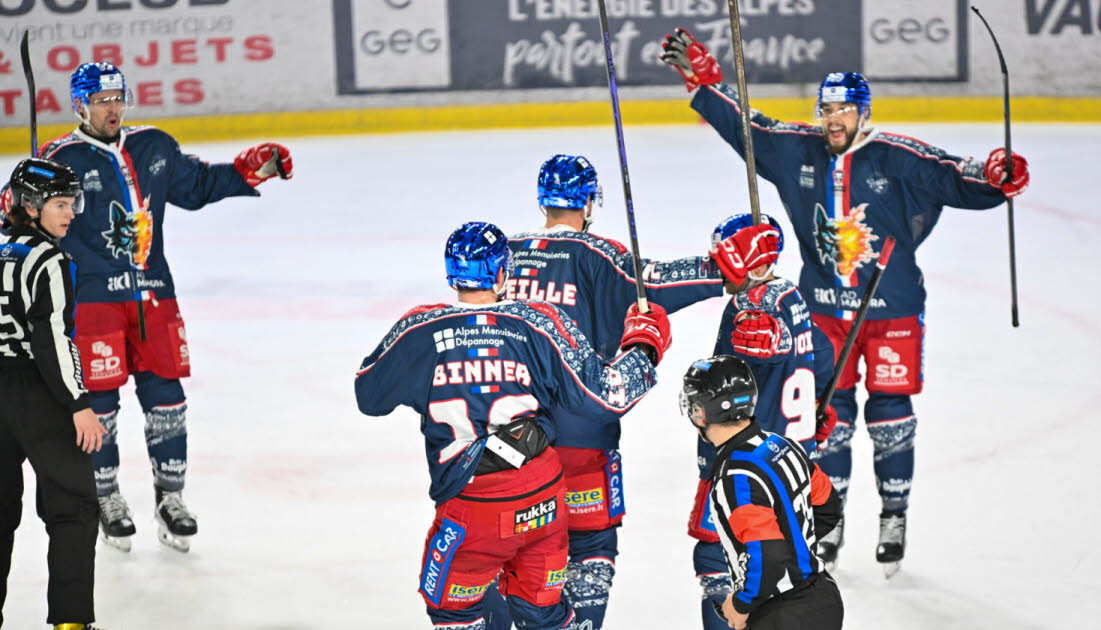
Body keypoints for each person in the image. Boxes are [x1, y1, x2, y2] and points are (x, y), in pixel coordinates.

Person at [661, 29, 1031, 573]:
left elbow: (957, 175)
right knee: (824, 415)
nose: (833, 118)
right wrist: (708, 87)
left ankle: (893, 512)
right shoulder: (797, 150)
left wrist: (997, 178)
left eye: (844, 109)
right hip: (823, 314)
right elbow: (751, 129)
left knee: (889, 414)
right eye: (826, 108)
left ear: (863, 113)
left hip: (893, 308)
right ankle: (825, 521)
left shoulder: (896, 156)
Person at [355, 221, 672, 630]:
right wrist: (643, 345)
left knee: (455, 613)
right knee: (542, 613)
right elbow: (608, 396)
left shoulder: (419, 329)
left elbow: (370, 396)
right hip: (540, 499)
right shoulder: (536, 322)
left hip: (470, 509)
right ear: (503, 272)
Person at [39, 62, 294, 552]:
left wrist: (248, 170)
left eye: (117, 98)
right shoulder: (61, 159)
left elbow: (195, 187)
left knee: (167, 402)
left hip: (154, 295)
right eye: (100, 101)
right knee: (101, 409)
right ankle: (106, 497)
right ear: (80, 106)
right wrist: (21, 200)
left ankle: (171, 499)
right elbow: (22, 213)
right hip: (92, 302)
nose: (111, 108)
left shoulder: (153, 145)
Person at [501, 154, 724, 628]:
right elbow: (659, 283)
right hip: (582, 435)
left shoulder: (503, 254)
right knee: (590, 545)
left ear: (542, 199)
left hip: (506, 443)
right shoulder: (597, 255)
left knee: (512, 547)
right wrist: (722, 267)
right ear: (589, 201)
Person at [690, 212, 838, 629]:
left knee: (718, 562)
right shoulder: (791, 295)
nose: (718, 264)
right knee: (789, 561)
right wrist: (815, 407)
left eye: (725, 256)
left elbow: (732, 388)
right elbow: (822, 359)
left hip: (746, 464)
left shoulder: (749, 310)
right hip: (792, 462)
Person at [0, 158, 108, 630]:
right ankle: (70, 621)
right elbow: (53, 341)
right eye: (60, 204)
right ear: (30, 206)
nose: (70, 214)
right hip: (40, 396)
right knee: (73, 509)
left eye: (72, 203)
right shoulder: (49, 261)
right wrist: (79, 404)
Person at [680, 355, 844, 630]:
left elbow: (767, 554)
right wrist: (797, 554)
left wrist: (741, 604)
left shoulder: (735, 477)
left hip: (781, 616)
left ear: (700, 412)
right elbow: (829, 507)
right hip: (824, 597)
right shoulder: (783, 445)